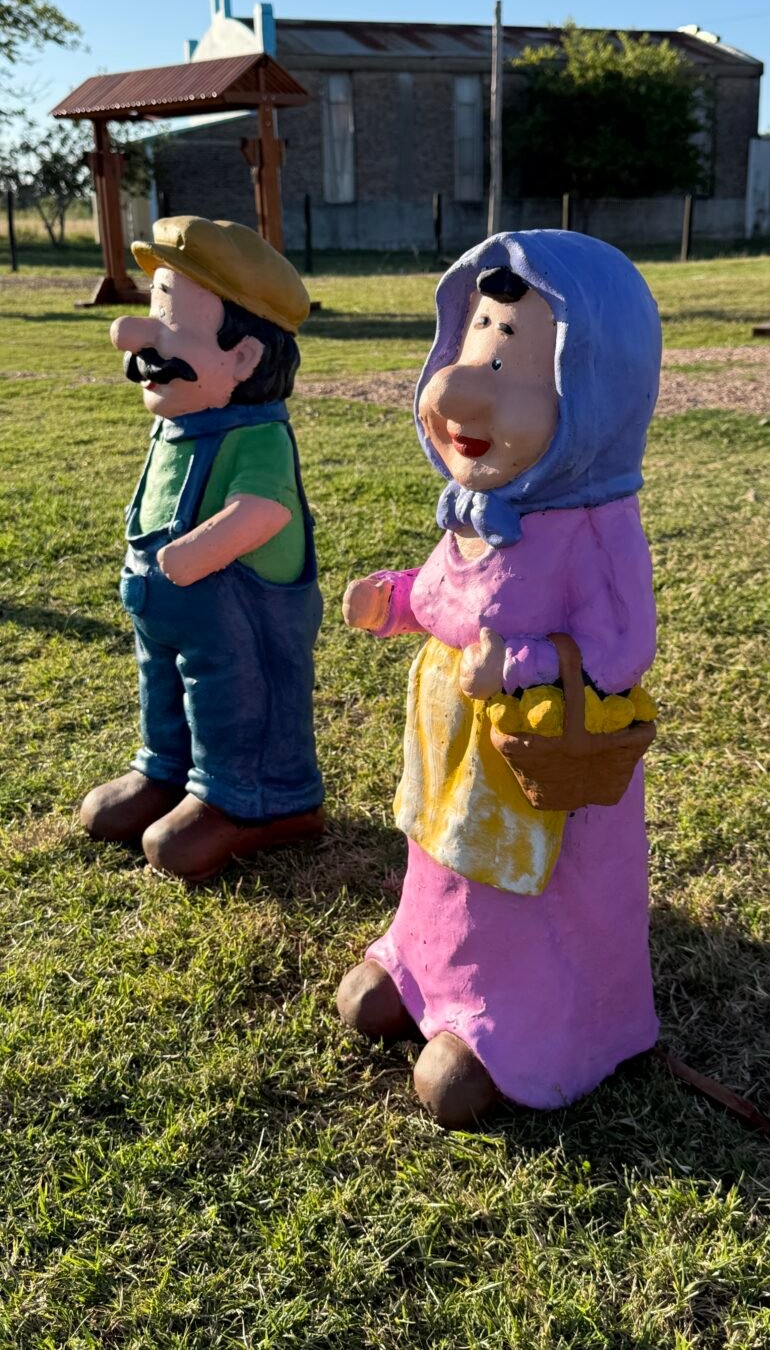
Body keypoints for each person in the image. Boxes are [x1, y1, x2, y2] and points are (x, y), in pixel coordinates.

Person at [337, 230, 661, 1127]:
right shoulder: (486, 506)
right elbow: (449, 596)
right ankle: (424, 963)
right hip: (454, 766)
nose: (459, 386)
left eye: (513, 358)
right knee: (439, 869)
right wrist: (395, 601)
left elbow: (621, 647)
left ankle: (522, 1022)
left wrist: (517, 663)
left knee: (519, 897)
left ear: (597, 385)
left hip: (534, 774)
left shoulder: (595, 523)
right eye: (477, 340)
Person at [80, 216, 324, 883]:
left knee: (234, 698)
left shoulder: (257, 437)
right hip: (168, 610)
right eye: (151, 311)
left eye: (169, 323)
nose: (135, 338)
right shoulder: (180, 426)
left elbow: (265, 509)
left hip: (238, 620)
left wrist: (195, 553)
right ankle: (167, 771)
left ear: (243, 357)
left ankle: (253, 802)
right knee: (164, 685)